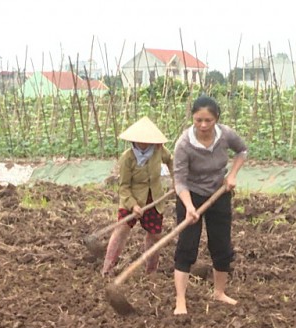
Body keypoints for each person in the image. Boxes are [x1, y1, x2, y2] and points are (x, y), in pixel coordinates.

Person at [170, 96, 247, 316]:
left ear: (217, 119)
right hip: (190, 194)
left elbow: (242, 151)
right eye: (198, 120)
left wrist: (231, 175)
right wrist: (189, 207)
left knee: (222, 245)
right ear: (192, 119)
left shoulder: (226, 135)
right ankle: (181, 301)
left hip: (219, 193)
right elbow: (180, 181)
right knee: (187, 246)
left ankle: (219, 292)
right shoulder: (184, 144)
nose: (203, 125)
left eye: (208, 121)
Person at [101, 117, 173, 276]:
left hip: (154, 198)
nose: (145, 143)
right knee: (121, 230)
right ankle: (107, 269)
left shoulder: (159, 150)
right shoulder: (127, 158)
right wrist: (133, 205)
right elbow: (124, 187)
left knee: (155, 235)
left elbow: (171, 161)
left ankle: (151, 270)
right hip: (131, 198)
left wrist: (177, 180)